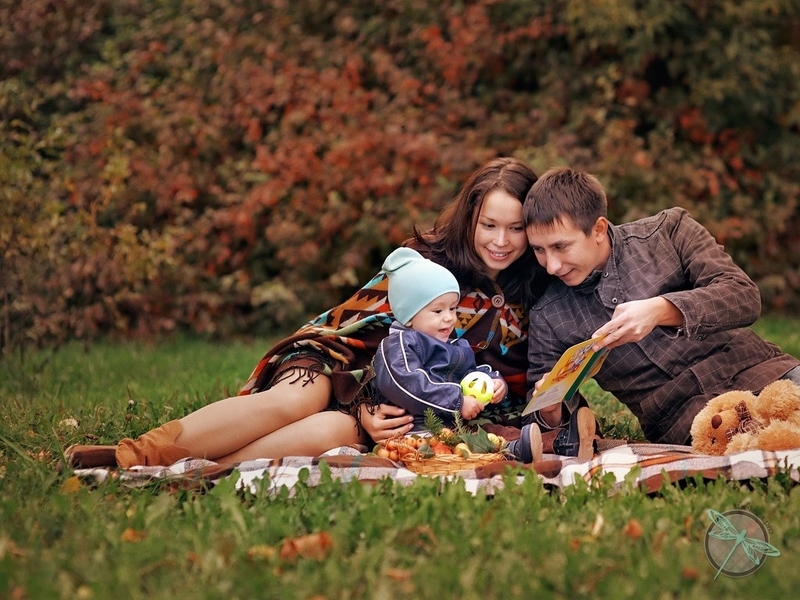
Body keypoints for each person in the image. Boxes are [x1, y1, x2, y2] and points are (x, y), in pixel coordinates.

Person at [66, 156, 552, 468]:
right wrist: (364, 400)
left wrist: (375, 415)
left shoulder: (533, 292)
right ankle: (136, 453)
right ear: (469, 218)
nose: (501, 241)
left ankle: (204, 470)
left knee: (332, 430)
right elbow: (358, 327)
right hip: (341, 363)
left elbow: (509, 385)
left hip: (406, 405)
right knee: (295, 401)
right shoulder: (426, 262)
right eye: (489, 224)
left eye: (515, 228)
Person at [521, 166, 800, 447]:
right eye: (539, 250)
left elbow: (744, 297)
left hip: (762, 372)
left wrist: (662, 309)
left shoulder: (669, 232)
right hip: (690, 418)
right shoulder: (548, 316)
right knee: (762, 452)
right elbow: (542, 425)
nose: (551, 266)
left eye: (561, 247)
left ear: (598, 229)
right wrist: (550, 410)